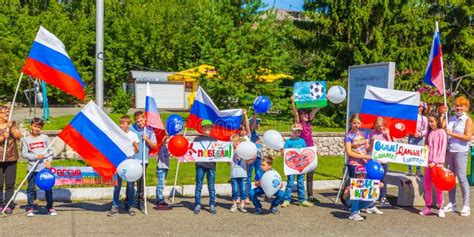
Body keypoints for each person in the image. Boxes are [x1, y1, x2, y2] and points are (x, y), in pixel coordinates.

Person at [443, 96, 472, 217]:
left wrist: (451, 134)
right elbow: (443, 128)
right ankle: (451, 202)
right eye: (457, 105)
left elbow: (468, 137)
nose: (459, 108)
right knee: (450, 177)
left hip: (461, 151)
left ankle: (466, 205)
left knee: (461, 177)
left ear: (465, 107)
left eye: (461, 106)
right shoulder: (452, 118)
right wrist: (443, 114)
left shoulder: (468, 120)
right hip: (449, 150)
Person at [22, 118, 56, 217]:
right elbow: (24, 154)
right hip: (32, 168)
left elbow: (51, 151)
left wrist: (48, 161)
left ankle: (50, 207)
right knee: (31, 189)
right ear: (31, 126)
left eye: (39, 127)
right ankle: (30, 207)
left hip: (44, 168)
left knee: (48, 188)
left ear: (41, 128)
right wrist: (35, 157)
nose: (36, 128)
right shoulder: (26, 139)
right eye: (35, 126)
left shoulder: (45, 137)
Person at [109, 115, 139, 216]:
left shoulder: (133, 135)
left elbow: (137, 150)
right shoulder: (117, 135)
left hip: (129, 163)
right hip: (119, 163)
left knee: (130, 187)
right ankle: (114, 207)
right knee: (117, 186)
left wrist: (135, 146)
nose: (121, 125)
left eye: (123, 123)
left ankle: (131, 206)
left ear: (128, 124)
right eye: (120, 123)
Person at [291, 96, 320, 202]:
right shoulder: (299, 124)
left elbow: (315, 110)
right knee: (300, 175)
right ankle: (301, 196)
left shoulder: (308, 123)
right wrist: (293, 102)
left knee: (310, 174)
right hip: (302, 152)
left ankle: (310, 195)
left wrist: (322, 100)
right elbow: (295, 113)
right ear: (301, 115)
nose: (307, 115)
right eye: (305, 114)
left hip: (311, 150)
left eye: (307, 114)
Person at [419, 114, 447, 218]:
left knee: (438, 186)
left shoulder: (442, 132)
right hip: (427, 163)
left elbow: (442, 149)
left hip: (437, 164)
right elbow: (428, 147)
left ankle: (440, 207)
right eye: (429, 122)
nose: (430, 124)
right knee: (427, 185)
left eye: (432, 121)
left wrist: (435, 162)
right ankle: (428, 206)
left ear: (437, 121)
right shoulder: (430, 133)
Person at [130, 111, 157, 211]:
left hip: (143, 160)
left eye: (141, 120)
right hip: (132, 159)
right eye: (137, 121)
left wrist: (147, 139)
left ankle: (140, 202)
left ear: (145, 119)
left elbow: (154, 145)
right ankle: (129, 202)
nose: (140, 123)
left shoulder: (149, 130)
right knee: (131, 182)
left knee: (141, 183)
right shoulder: (131, 128)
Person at [281, 124, 313, 208]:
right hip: (291, 166)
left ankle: (302, 200)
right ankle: (287, 199)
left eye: (300, 131)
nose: (298, 132)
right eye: (296, 131)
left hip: (300, 166)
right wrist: (283, 152)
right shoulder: (288, 142)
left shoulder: (302, 141)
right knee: (290, 182)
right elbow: (285, 153)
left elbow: (305, 152)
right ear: (292, 131)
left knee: (300, 182)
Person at [0, 106, 21, 214]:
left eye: (8, 112)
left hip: (11, 157)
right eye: (4, 113)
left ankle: (8, 203)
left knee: (10, 182)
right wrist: (3, 136)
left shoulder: (12, 123)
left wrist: (11, 128)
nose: (7, 114)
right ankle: (0, 203)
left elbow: (18, 137)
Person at [194, 120, 217, 215]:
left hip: (211, 166)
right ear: (202, 128)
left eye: (209, 127)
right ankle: (198, 204)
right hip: (200, 165)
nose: (207, 129)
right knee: (199, 185)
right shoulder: (197, 139)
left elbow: (219, 152)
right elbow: (192, 150)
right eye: (205, 127)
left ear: (211, 128)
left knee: (211, 186)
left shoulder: (214, 140)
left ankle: (212, 204)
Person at [368, 117, 393, 207]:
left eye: (382, 126)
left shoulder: (386, 132)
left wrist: (387, 135)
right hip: (375, 160)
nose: (380, 128)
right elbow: (369, 148)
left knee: (383, 178)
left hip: (384, 160)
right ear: (375, 126)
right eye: (378, 126)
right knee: (374, 178)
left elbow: (391, 146)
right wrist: (372, 142)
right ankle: (373, 196)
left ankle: (383, 197)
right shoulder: (372, 134)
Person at [344, 113, 371, 178]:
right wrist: (363, 156)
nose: (356, 125)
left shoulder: (364, 134)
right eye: (354, 123)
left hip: (364, 164)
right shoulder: (348, 136)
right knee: (354, 185)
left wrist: (373, 144)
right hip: (353, 164)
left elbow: (367, 148)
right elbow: (349, 153)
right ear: (350, 123)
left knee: (363, 185)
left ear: (361, 123)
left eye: (358, 123)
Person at [229, 134, 250, 213]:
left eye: (237, 141)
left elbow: (248, 160)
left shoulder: (244, 151)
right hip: (234, 174)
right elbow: (228, 162)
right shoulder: (230, 151)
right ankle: (234, 204)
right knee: (234, 190)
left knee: (243, 190)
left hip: (243, 173)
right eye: (234, 142)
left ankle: (242, 205)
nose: (236, 143)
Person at [407, 102, 428, 176]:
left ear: (422, 108)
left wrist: (420, 134)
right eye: (417, 106)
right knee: (410, 152)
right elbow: (408, 125)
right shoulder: (412, 116)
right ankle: (409, 169)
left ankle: (418, 170)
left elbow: (426, 129)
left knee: (418, 153)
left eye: (420, 106)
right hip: (411, 136)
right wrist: (413, 132)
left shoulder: (424, 118)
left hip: (420, 137)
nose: (418, 108)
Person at [247, 112, 262, 204]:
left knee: (258, 174)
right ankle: (249, 192)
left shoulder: (256, 133)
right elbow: (252, 125)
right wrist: (255, 114)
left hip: (258, 156)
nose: (258, 124)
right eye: (256, 122)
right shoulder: (251, 131)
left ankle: (257, 191)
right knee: (249, 174)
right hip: (252, 156)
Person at [155, 135, 172, 210]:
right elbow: (161, 143)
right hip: (161, 167)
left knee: (162, 183)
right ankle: (160, 199)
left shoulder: (166, 146)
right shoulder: (160, 145)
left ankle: (159, 198)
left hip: (165, 166)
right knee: (160, 183)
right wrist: (165, 138)